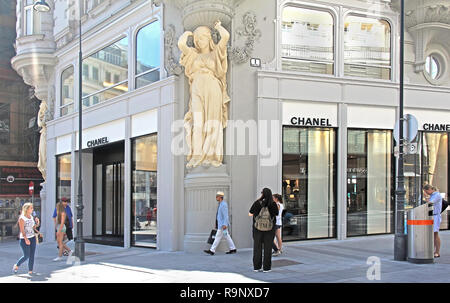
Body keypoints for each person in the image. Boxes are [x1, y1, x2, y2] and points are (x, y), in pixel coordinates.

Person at [178, 20, 230, 168]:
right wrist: (186, 34)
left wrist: (218, 27)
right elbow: (182, 45)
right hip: (197, 87)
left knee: (213, 122)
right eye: (196, 39)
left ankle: (212, 156)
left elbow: (225, 36)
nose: (198, 41)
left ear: (209, 38)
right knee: (198, 123)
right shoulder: (193, 55)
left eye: (201, 37)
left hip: (213, 86)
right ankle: (197, 156)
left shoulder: (216, 53)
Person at [249, 188, 279, 272]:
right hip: (270, 229)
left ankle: (257, 267)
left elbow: (250, 212)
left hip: (257, 229)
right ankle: (266, 268)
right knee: (268, 248)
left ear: (262, 194)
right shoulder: (273, 204)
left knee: (257, 247)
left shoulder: (257, 203)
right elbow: (276, 214)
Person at [204, 191, 237, 255]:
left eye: (217, 196)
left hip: (222, 225)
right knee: (226, 236)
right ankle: (233, 248)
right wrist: (217, 223)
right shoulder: (221, 204)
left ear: (220, 197)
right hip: (221, 225)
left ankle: (212, 250)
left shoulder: (223, 204)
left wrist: (225, 224)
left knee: (218, 237)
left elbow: (225, 215)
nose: (216, 197)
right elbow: (219, 215)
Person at [12, 203, 39, 276]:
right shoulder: (22, 218)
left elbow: (33, 228)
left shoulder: (31, 216)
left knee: (32, 255)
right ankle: (17, 265)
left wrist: (37, 222)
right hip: (24, 239)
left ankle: (30, 271)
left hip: (32, 237)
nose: (32, 209)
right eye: (31, 208)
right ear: (27, 209)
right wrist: (26, 239)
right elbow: (22, 230)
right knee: (26, 255)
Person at [423, 184, 442, 258]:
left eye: (426, 191)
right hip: (432, 216)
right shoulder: (433, 195)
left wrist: (426, 197)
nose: (426, 193)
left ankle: (437, 251)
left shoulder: (437, 195)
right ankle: (432, 250)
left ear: (429, 189)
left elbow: (430, 203)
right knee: (432, 234)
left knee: (435, 234)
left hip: (435, 216)